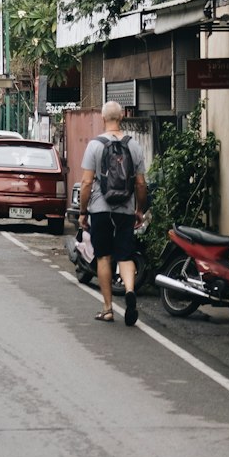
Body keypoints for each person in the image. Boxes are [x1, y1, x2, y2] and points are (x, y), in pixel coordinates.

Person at [78, 101, 147, 326]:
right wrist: (139, 210)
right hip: (125, 210)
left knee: (104, 257)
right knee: (125, 255)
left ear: (102, 118)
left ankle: (108, 309)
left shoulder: (95, 145)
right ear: (123, 117)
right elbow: (141, 184)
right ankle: (128, 289)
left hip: (100, 209)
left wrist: (82, 211)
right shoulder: (134, 145)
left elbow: (87, 182)